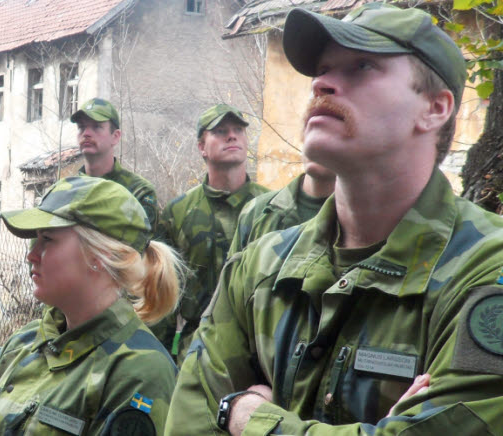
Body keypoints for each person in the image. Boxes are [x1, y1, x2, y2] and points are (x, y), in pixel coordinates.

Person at [167, 4, 503, 435]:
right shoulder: (258, 269)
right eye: (323, 69)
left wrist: (247, 415)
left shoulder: (486, 272)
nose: (322, 84)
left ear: (435, 108)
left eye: (362, 66)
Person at [0, 176, 183, 434]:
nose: (32, 254)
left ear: (99, 255)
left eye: (48, 239)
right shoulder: (32, 339)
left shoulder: (139, 372)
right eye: (35, 239)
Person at [154, 103, 269, 361]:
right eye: (220, 131)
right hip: (197, 351)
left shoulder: (274, 207)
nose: (232, 136)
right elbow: (163, 295)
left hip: (260, 350)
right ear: (201, 147)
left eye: (239, 130)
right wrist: (160, 358)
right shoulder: (178, 212)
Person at [71, 98, 162, 238]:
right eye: (81, 127)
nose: (86, 133)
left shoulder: (139, 191)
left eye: (96, 127)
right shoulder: (65, 191)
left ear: (115, 136)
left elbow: (146, 251)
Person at [228, 156, 335, 253]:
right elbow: (232, 272)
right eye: (315, 133)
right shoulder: (257, 212)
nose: (320, 143)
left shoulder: (350, 221)